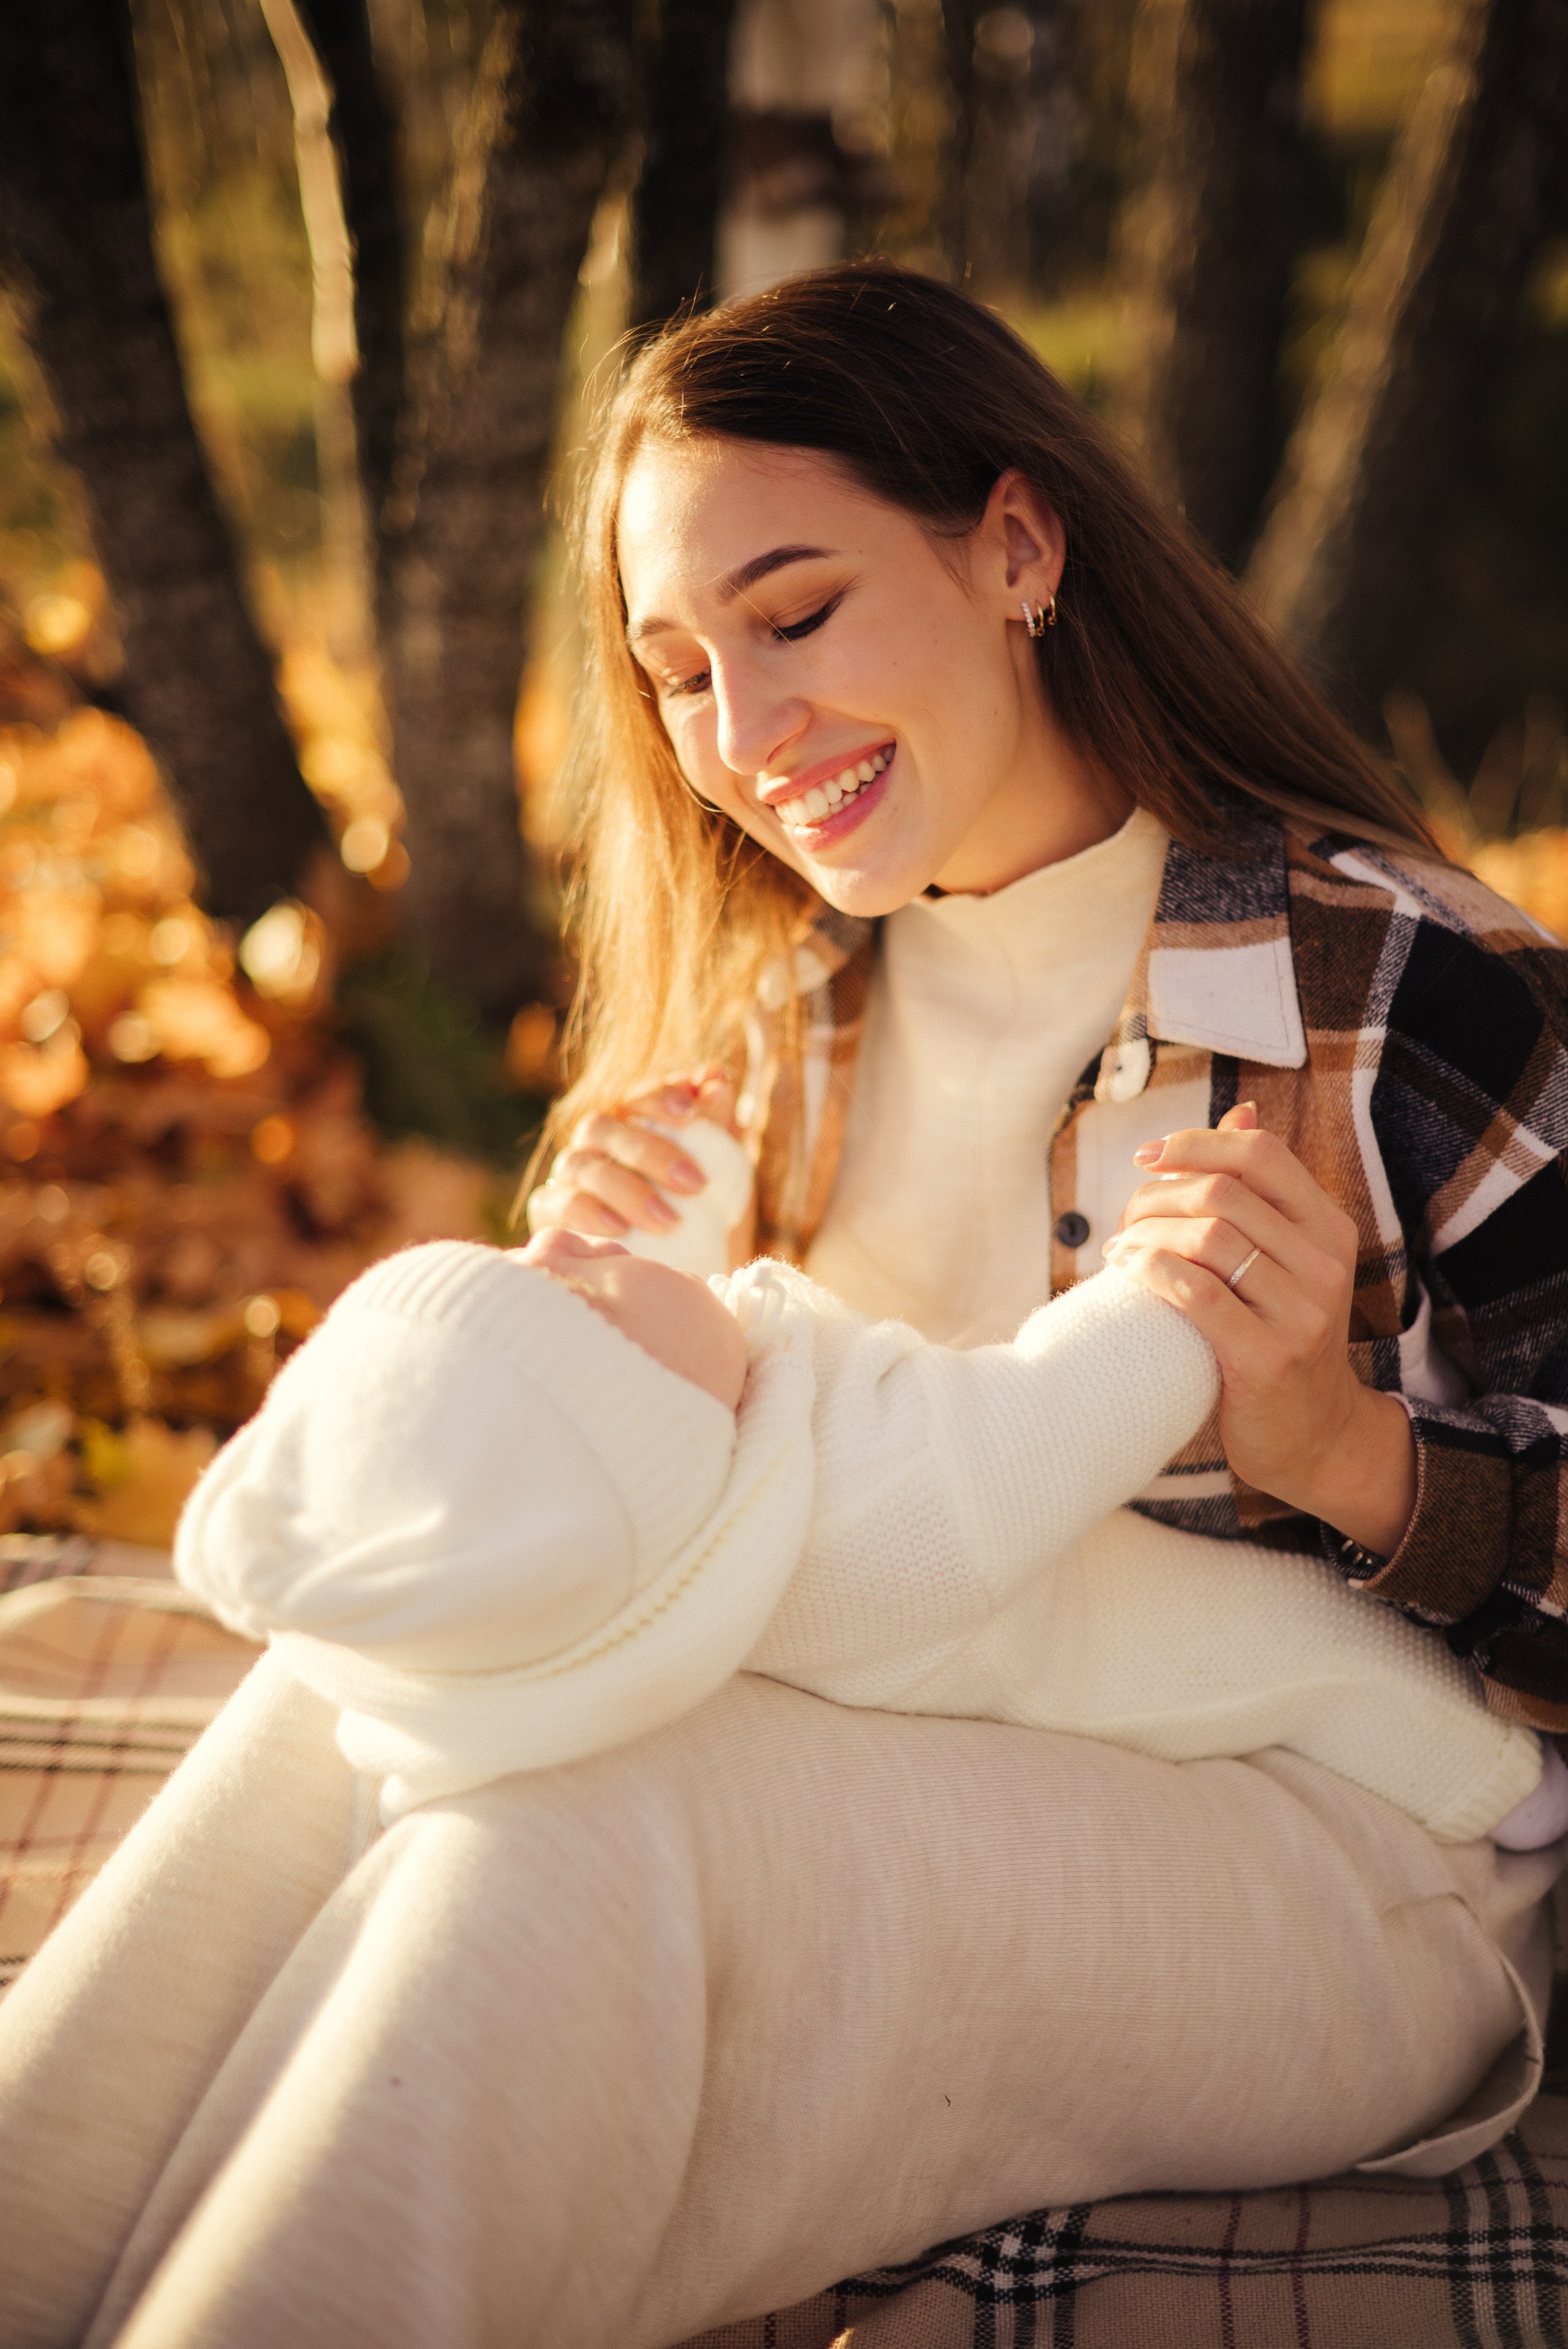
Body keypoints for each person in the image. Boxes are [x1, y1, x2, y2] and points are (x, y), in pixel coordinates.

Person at [2, 260, 1567, 2349]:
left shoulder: (1401, 990)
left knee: (595, 1839)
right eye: (672, 669)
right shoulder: (776, 1015)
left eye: (797, 612)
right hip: (902, 1703)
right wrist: (604, 1325)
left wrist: (1356, 1458)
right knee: (360, 1704)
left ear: (1016, 544)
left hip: (1348, 1842)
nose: (743, 737)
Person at [174, 1212, 1559, 1853]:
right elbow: (1055, 1408)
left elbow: (701, 1327)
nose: (561, 1241)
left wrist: (664, 1213)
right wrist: (1166, 1282)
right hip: (1197, 1676)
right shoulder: (868, 1517)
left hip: (1075, 1636)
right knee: (1320, 1668)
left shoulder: (694, 1529)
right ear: (656, 1436)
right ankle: (1507, 1783)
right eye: (582, 1294)